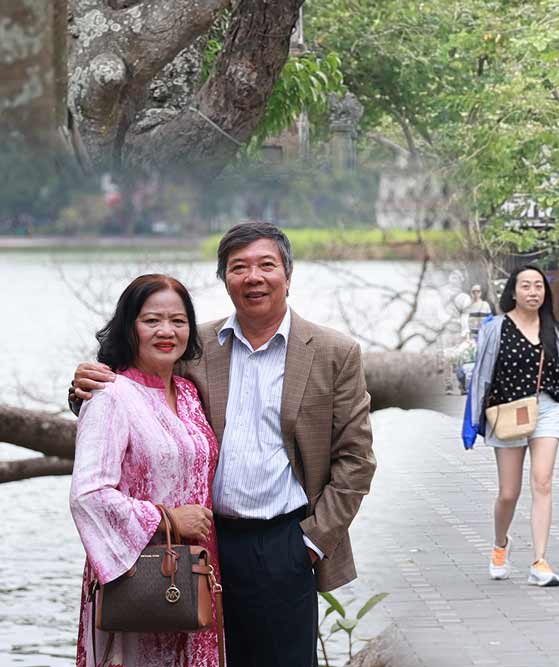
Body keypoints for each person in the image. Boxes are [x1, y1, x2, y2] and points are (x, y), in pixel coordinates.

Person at [72, 221, 376, 666]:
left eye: (265, 265)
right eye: (239, 267)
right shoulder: (198, 347)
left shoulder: (334, 351)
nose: (253, 277)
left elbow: (357, 460)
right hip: (204, 544)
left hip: (287, 541)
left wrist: (311, 543)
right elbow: (135, 390)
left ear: (287, 275)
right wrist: (81, 387)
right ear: (225, 279)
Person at [70, 274, 222, 666]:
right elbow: (89, 495)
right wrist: (166, 518)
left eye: (178, 320)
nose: (166, 331)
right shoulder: (110, 395)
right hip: (136, 578)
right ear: (129, 326)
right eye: (152, 320)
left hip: (197, 572)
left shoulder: (189, 393)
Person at [462, 265, 559, 586]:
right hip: (508, 411)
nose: (533, 292)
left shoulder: (556, 331)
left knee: (543, 483)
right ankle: (501, 544)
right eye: (526, 286)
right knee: (509, 493)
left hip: (548, 409)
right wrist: (472, 423)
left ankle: (540, 560)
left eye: (538, 286)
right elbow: (481, 376)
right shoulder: (495, 327)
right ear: (513, 291)